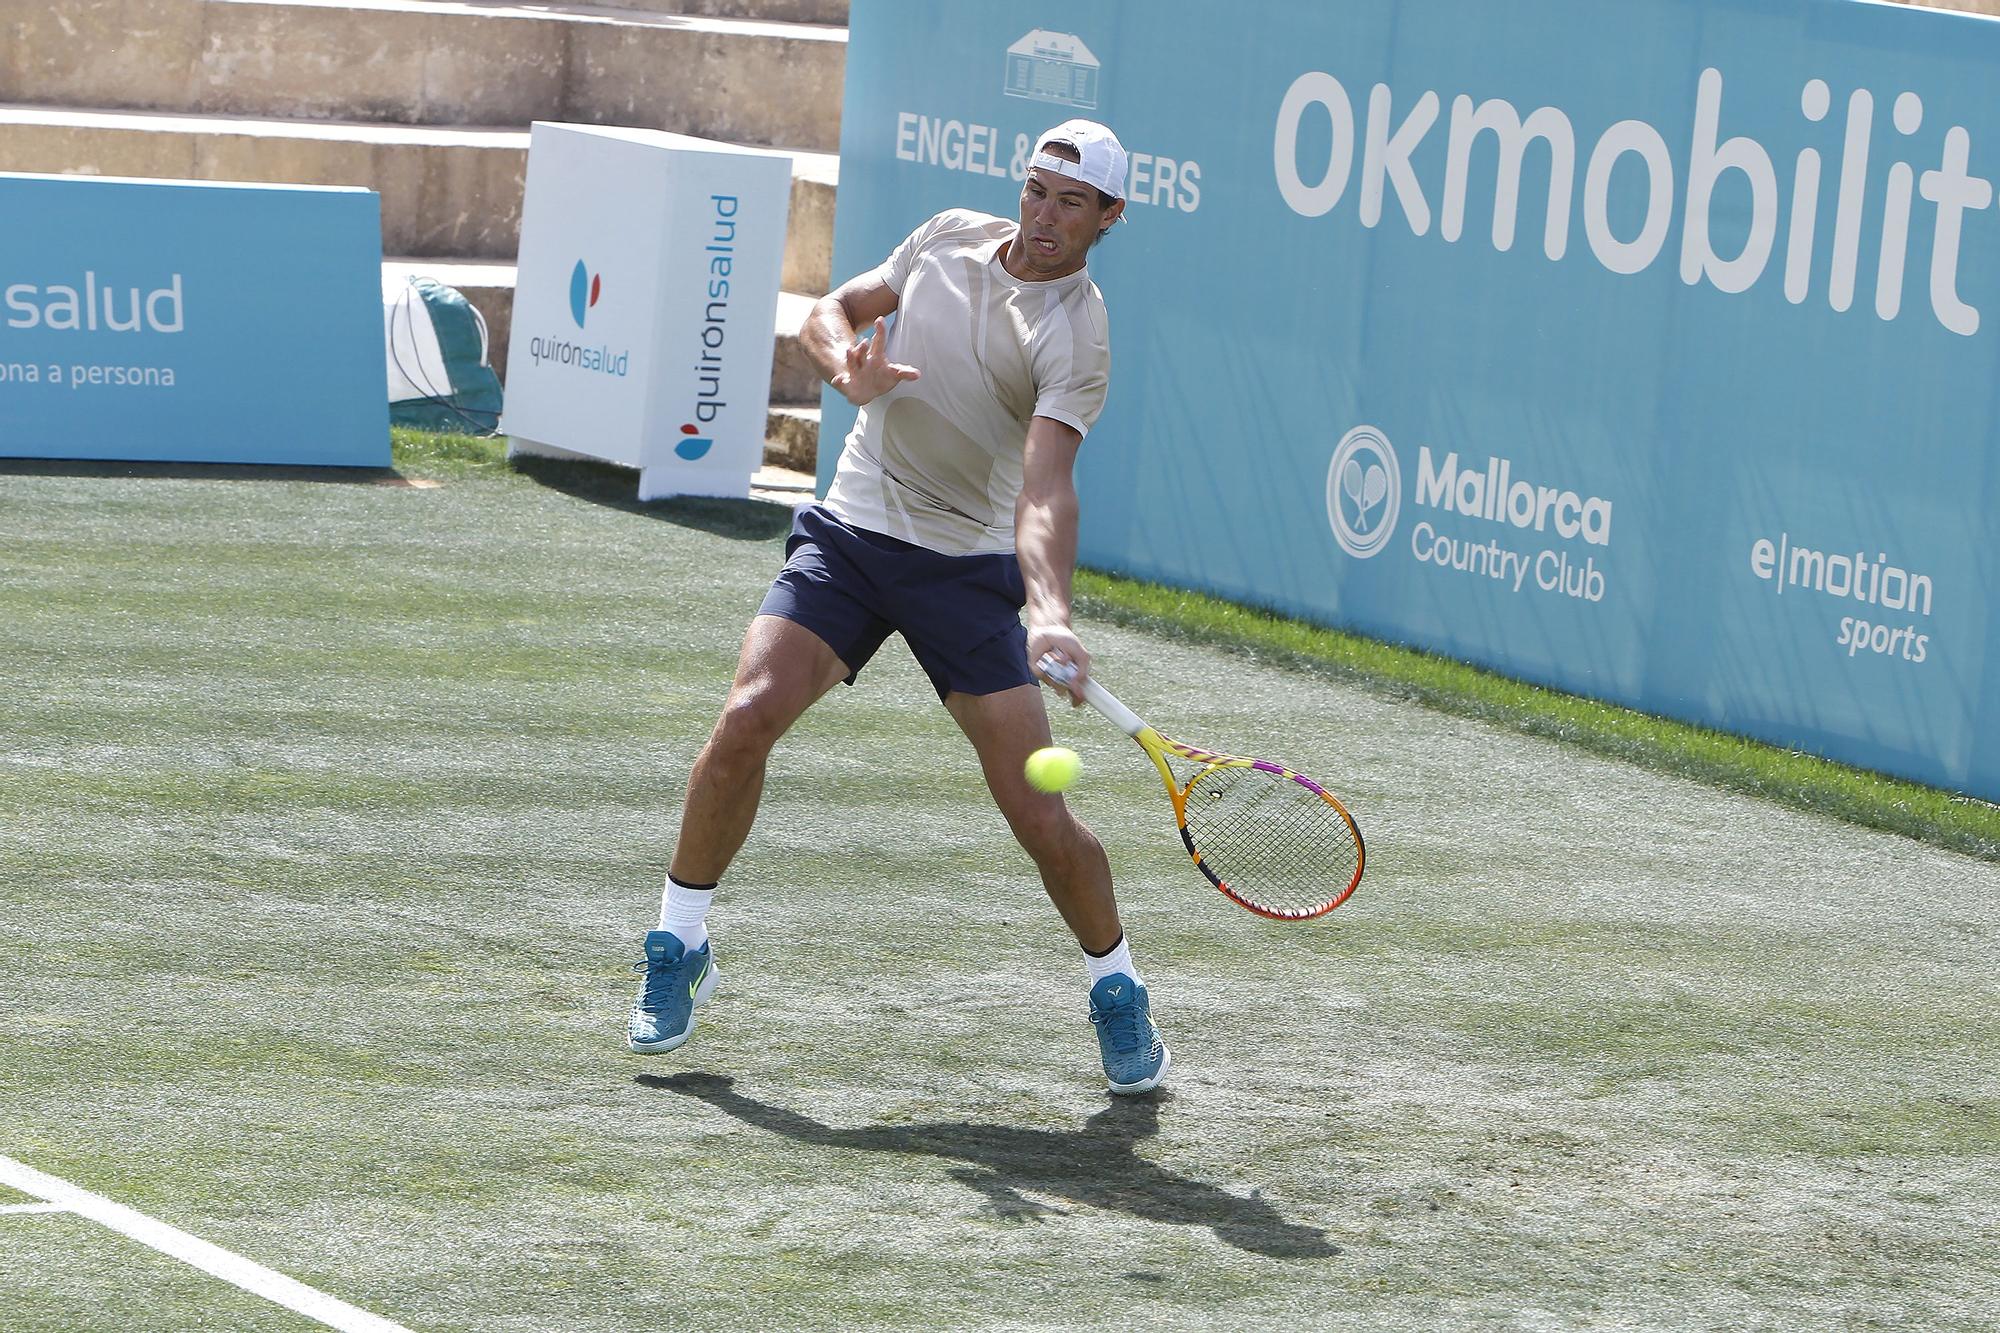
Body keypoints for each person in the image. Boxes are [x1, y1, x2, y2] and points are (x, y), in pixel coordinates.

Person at [625, 119, 1168, 1095]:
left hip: (963, 569)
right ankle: (678, 941)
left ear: (1108, 219)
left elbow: (1045, 487)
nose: (1044, 216)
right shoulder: (948, 235)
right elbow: (828, 312)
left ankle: (1115, 986)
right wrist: (847, 369)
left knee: (1039, 817)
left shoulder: (1074, 332)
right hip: (853, 532)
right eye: (1038, 189)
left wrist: (1047, 610)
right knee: (744, 718)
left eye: (1072, 203)